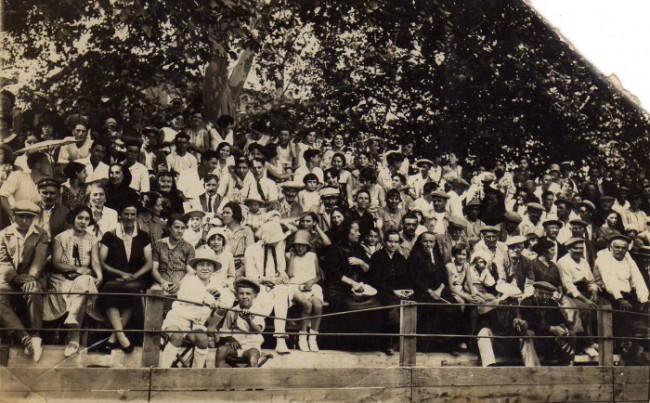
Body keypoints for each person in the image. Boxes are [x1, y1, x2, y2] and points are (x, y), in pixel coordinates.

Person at [44, 205, 103, 357]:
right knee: (82, 286)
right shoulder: (61, 238)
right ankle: (74, 336)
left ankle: (73, 321)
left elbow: (95, 262)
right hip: (61, 279)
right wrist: (76, 269)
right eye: (80, 218)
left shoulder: (92, 239)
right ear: (73, 218)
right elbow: (56, 263)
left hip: (82, 279)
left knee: (85, 282)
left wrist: (100, 275)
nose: (83, 222)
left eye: (87, 219)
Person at [98, 203, 153, 354]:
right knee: (109, 287)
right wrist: (120, 274)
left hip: (138, 277)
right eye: (126, 214)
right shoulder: (110, 235)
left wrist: (134, 276)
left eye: (132, 214)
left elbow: (149, 263)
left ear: (136, 217)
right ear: (120, 216)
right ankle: (120, 335)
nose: (129, 217)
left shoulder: (143, 236)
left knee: (132, 289)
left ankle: (114, 336)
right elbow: (102, 261)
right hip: (115, 276)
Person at [159, 248, 223, 368]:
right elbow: (188, 296)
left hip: (197, 325)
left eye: (209, 265)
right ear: (195, 268)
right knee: (176, 336)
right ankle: (163, 371)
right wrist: (208, 301)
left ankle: (195, 374)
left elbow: (225, 302)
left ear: (213, 269)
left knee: (203, 340)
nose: (205, 268)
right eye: (201, 265)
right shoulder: (189, 281)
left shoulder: (216, 284)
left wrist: (218, 299)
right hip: (177, 320)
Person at [0, 201, 48, 362]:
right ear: (14, 216)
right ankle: (25, 338)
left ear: (33, 218)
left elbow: (39, 259)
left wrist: (31, 278)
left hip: (32, 277)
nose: (25, 221)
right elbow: (3, 261)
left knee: (34, 291)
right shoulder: (3, 234)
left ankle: (35, 335)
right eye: (21, 217)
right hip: (10, 279)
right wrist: (17, 278)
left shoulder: (41, 234)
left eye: (29, 217)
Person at [244, 221, 292, 354]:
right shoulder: (252, 250)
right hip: (258, 285)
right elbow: (251, 276)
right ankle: (254, 343)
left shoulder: (279, 247)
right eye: (275, 239)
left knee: (282, 292)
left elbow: (281, 268)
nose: (278, 242)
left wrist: (283, 275)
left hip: (276, 285)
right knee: (262, 302)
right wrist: (269, 280)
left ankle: (280, 339)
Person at [367, 229, 413, 355]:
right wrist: (393, 291)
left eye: (396, 242)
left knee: (412, 305)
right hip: (383, 290)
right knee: (392, 308)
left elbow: (406, 277)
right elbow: (376, 279)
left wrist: (408, 289)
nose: (392, 244)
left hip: (399, 290)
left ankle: (406, 342)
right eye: (390, 241)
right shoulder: (378, 256)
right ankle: (388, 343)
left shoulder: (400, 258)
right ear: (385, 242)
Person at [557, 237, 600, 357]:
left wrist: (594, 293)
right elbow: (568, 286)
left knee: (604, 306)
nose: (578, 251)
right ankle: (586, 344)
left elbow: (591, 280)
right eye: (575, 248)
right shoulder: (563, 262)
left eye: (581, 248)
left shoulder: (584, 261)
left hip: (585, 291)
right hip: (571, 294)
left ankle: (597, 340)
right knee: (585, 309)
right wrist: (585, 300)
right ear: (569, 249)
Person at [518, 281, 576, 366]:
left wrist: (563, 328)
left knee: (570, 334)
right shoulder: (526, 303)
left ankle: (566, 367)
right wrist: (551, 328)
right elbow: (529, 324)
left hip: (550, 340)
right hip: (535, 340)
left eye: (548, 294)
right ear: (534, 292)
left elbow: (562, 320)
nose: (544, 297)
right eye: (540, 293)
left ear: (551, 295)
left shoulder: (553, 303)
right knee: (528, 333)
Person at [286, 230, 324, 352]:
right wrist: (291, 257)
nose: (300, 248)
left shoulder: (312, 256)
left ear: (307, 246)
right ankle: (302, 337)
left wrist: (311, 282)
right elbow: (289, 274)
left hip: (310, 286)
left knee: (318, 305)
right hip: (294, 286)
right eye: (297, 245)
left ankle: (312, 338)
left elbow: (318, 276)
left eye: (302, 245)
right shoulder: (288, 256)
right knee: (307, 305)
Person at [216, 278, 266, 367]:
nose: (245, 296)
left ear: (255, 296)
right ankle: (218, 379)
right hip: (236, 345)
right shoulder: (232, 311)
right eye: (241, 293)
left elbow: (258, 331)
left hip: (252, 345)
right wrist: (232, 340)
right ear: (237, 295)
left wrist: (248, 320)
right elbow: (225, 330)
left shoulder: (258, 310)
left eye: (248, 294)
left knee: (253, 358)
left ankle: (251, 380)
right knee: (221, 350)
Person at [0, 151, 52, 229]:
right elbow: (3, 195)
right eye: (47, 162)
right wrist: (13, 217)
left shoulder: (46, 185)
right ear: (37, 165)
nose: (50, 166)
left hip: (36, 226)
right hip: (17, 225)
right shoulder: (19, 175)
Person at [151, 213, 195, 294]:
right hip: (161, 282)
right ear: (169, 227)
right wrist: (162, 282)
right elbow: (154, 269)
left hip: (181, 283)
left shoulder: (188, 247)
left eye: (183, 228)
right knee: (155, 292)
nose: (180, 231)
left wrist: (179, 284)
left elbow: (191, 272)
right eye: (176, 227)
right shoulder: (158, 245)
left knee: (187, 294)